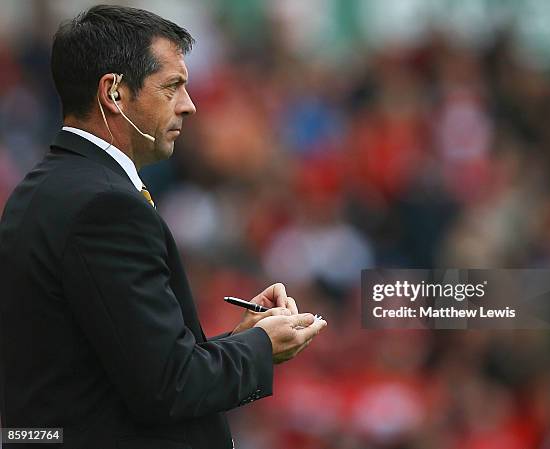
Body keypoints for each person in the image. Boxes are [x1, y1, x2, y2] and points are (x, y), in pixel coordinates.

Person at [0, 5, 326, 449]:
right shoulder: (104, 205)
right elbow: (166, 388)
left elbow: (119, 368)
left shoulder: (48, 188)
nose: (189, 106)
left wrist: (239, 340)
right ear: (113, 92)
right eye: (171, 86)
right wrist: (261, 348)